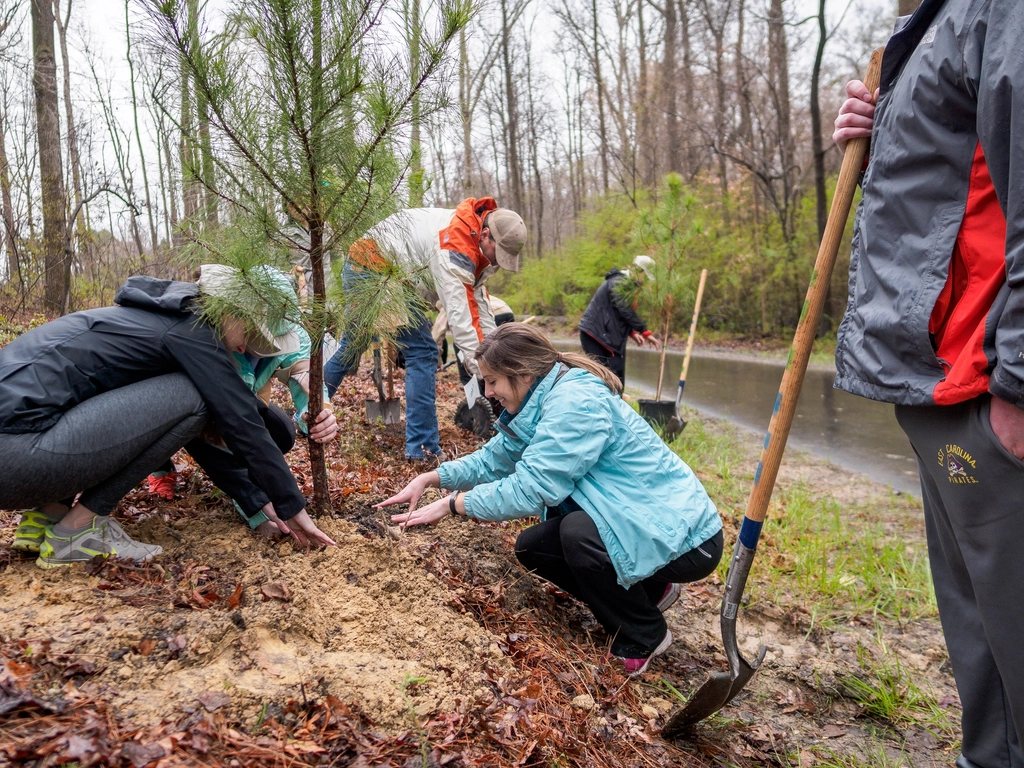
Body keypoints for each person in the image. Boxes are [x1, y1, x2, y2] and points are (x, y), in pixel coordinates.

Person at [832, 4, 1024, 766]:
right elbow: (950, 189)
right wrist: (880, 137)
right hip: (939, 388)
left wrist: (1018, 385)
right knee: (982, 657)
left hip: (991, 387)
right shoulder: (935, 23)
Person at [378, 323, 722, 675]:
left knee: (577, 535)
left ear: (523, 373)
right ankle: (650, 592)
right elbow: (494, 459)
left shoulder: (574, 403)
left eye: (492, 381)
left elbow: (533, 488)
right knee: (534, 548)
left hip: (686, 538)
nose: (488, 391)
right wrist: (432, 478)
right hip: (634, 521)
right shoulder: (538, 400)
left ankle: (644, 635)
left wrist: (452, 504)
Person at [2, 274, 337, 568]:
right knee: (196, 396)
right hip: (19, 458)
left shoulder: (160, 317)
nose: (247, 347)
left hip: (22, 451)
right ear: (231, 309)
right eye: (251, 333)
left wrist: (315, 402)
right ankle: (77, 531)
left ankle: (49, 513)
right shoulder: (194, 333)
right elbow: (240, 419)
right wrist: (289, 504)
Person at [325, 198, 527, 460]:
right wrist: (486, 371)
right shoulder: (455, 246)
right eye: (497, 253)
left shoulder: (475, 242)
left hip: (375, 268)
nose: (497, 261)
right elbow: (461, 318)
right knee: (422, 352)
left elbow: (479, 307)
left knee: (350, 348)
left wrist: (496, 354)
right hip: (374, 269)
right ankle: (423, 450)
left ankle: (310, 408)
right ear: (486, 234)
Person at [147, 265, 338, 539]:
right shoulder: (205, 337)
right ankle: (160, 468)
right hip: (184, 408)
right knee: (189, 426)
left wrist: (318, 414)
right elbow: (223, 425)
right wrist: (254, 503)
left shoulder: (290, 330)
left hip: (239, 407)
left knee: (281, 433)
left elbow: (305, 382)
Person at [578, 255, 661, 386]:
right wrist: (645, 332)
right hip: (596, 335)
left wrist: (632, 332)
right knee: (605, 379)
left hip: (608, 335)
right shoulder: (618, 282)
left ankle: (615, 397)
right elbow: (624, 309)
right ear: (638, 271)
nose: (645, 282)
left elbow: (618, 313)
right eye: (645, 277)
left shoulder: (628, 286)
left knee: (617, 379)